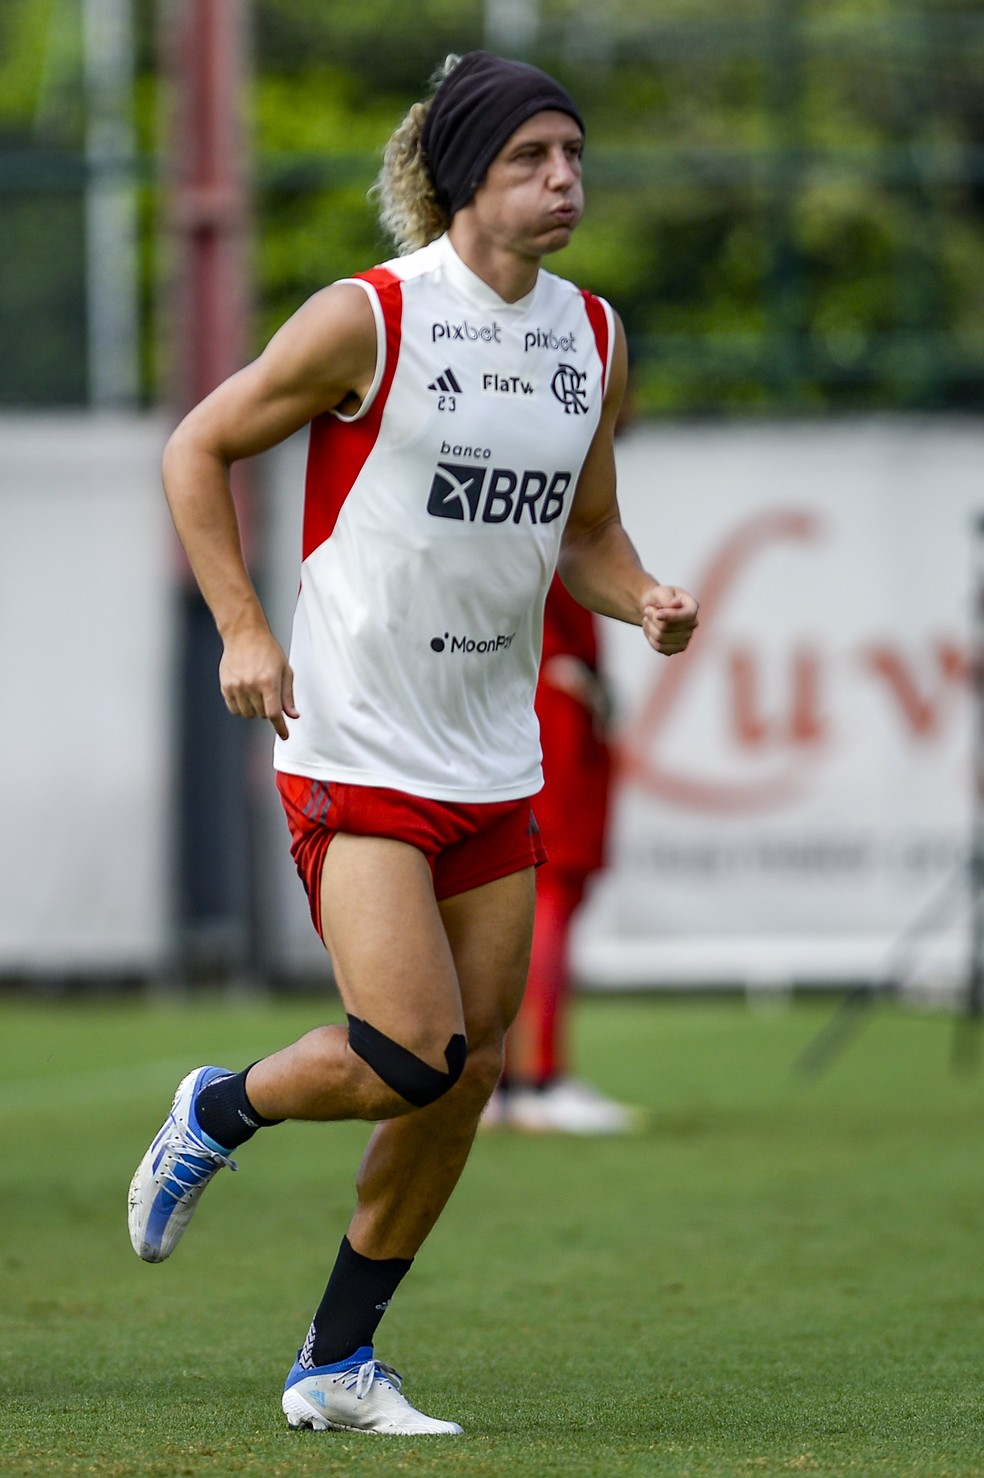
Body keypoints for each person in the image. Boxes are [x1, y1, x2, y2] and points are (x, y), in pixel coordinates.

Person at [127, 50, 699, 1438]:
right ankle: (221, 1104)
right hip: (355, 732)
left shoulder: (594, 335)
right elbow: (196, 449)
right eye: (531, 159)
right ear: (460, 176)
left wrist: (645, 597)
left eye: (575, 155)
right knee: (410, 1047)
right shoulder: (369, 318)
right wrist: (242, 627)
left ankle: (334, 1364)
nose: (566, 180)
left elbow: (587, 530)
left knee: (475, 1061)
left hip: (492, 751)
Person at [487, 572, 640, 1134]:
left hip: (527, 700)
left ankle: (504, 1081)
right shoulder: (542, 502)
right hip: (550, 706)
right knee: (547, 890)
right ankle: (538, 1078)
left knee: (522, 890)